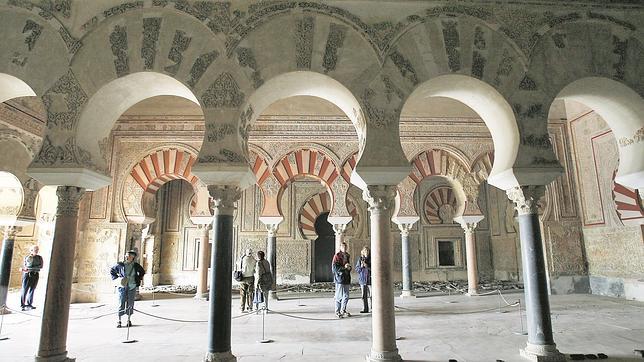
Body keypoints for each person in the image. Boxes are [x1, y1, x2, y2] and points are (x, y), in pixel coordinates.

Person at [110, 250, 145, 328]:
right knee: (121, 302)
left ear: (132, 257)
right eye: (126, 255)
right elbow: (112, 270)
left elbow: (142, 271)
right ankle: (119, 321)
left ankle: (128, 320)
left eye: (128, 255)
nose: (126, 257)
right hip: (122, 286)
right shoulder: (120, 265)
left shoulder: (136, 265)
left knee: (130, 303)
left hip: (132, 286)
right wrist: (116, 278)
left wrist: (138, 279)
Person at [20, 245, 43, 311]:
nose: (36, 251)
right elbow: (28, 266)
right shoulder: (28, 257)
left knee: (32, 289)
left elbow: (40, 266)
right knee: (25, 289)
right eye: (35, 249)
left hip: (35, 274)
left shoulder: (39, 257)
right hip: (28, 275)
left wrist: (30, 268)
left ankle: (29, 303)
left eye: (37, 250)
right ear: (31, 250)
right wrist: (34, 267)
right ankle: (22, 305)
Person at [332, 241, 351, 318]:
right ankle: (337, 311)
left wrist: (349, 268)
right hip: (340, 279)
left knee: (346, 296)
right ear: (340, 247)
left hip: (346, 278)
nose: (344, 248)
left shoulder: (347, 256)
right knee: (339, 296)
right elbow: (335, 269)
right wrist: (344, 268)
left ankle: (343, 310)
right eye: (343, 247)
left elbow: (348, 266)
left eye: (345, 247)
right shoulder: (337, 256)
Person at [238, 248, 256, 312]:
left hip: (243, 278)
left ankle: (242, 308)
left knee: (242, 294)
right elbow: (255, 269)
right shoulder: (254, 260)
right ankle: (250, 307)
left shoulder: (243, 259)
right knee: (250, 293)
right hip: (251, 278)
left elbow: (238, 264)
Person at [355, 246, 371, 313]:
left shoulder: (372, 258)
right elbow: (357, 270)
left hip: (370, 279)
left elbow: (376, 269)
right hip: (363, 279)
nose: (366, 252)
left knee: (372, 295)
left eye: (367, 251)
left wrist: (367, 266)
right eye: (365, 251)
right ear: (362, 252)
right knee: (364, 296)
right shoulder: (360, 259)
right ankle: (365, 308)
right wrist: (361, 267)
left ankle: (373, 308)